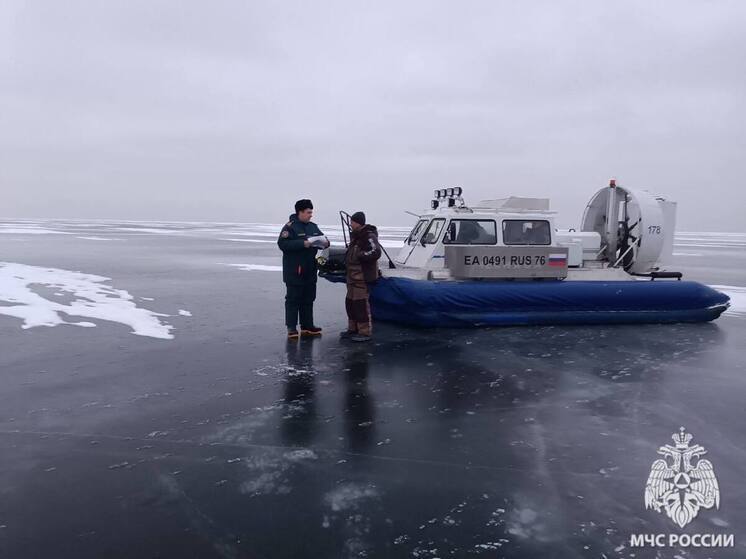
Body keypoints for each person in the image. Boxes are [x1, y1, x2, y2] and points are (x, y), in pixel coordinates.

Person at [277, 199, 329, 339]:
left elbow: (324, 240)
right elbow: (282, 244)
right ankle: (291, 327)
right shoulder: (290, 227)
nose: (311, 215)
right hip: (294, 270)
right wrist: (302, 244)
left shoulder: (313, 227)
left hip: (310, 268)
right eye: (308, 212)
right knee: (294, 299)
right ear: (300, 212)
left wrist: (325, 243)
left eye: (311, 212)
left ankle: (307, 325)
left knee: (308, 298)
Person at [341, 212, 381, 342]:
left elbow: (376, 251)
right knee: (350, 303)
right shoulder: (356, 237)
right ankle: (353, 328)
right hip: (351, 277)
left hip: (361, 277)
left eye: (352, 222)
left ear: (358, 223)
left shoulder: (368, 236)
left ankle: (364, 332)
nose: (351, 224)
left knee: (360, 304)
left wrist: (361, 255)